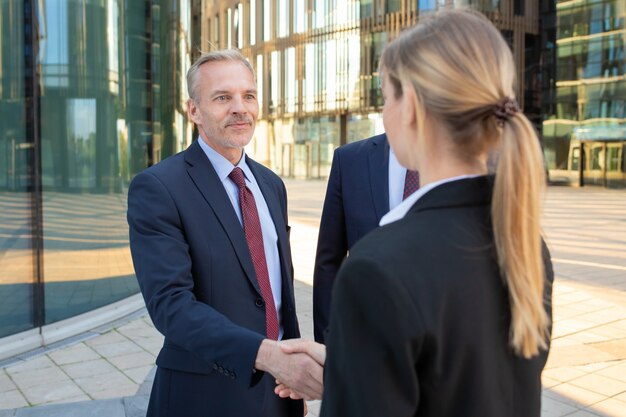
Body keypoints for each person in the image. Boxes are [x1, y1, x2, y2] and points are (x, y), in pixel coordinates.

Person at [320, 9, 554, 417]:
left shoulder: (378, 269)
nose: (384, 112)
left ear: (409, 103)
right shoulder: (524, 243)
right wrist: (349, 368)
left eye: (385, 94)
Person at [127, 49, 323, 417]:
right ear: (194, 111)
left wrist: (292, 368)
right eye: (222, 97)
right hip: (203, 396)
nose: (240, 108)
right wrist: (268, 356)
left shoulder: (270, 184)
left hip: (280, 394)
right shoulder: (157, 188)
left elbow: (276, 294)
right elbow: (171, 306)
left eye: (248, 95)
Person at [313, 133, 419, 342]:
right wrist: (329, 346)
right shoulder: (351, 160)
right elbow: (329, 262)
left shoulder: (466, 155)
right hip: (367, 341)